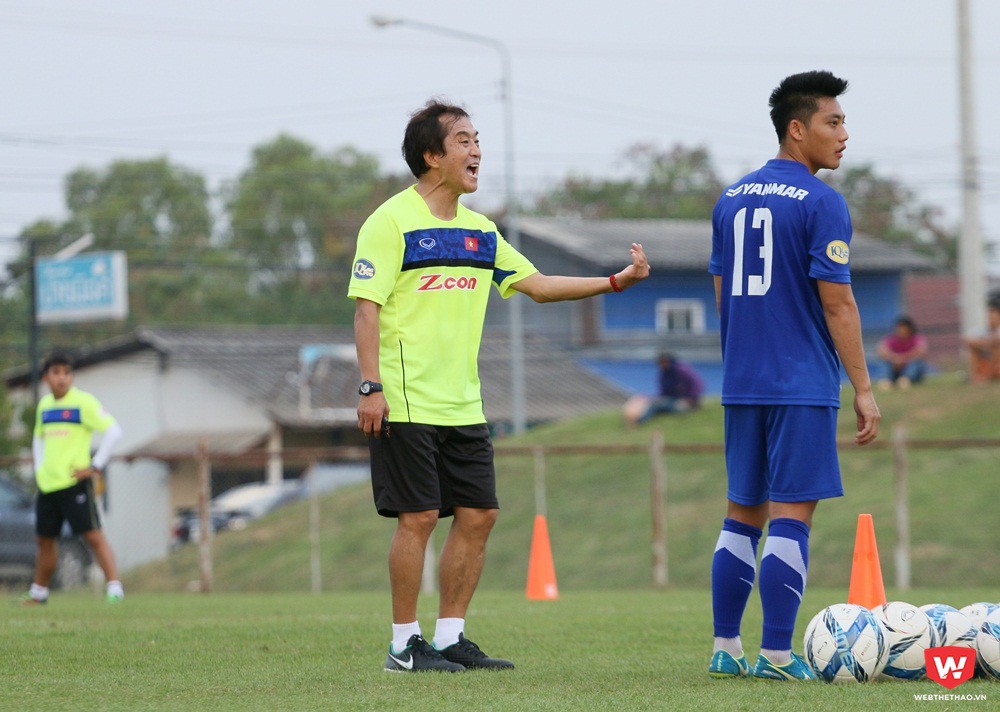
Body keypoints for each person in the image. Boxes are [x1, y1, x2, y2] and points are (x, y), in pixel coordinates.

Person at [348, 99, 649, 673]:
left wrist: (615, 280)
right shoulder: (389, 223)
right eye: (463, 140)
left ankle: (450, 636)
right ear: (431, 156)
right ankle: (403, 645)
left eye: (477, 139)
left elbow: (537, 284)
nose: (477, 150)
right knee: (417, 517)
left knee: (480, 513)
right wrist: (370, 387)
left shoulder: (481, 232)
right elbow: (366, 310)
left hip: (463, 402)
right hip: (406, 400)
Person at [706, 71, 880, 681]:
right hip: (800, 383)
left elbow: (726, 297)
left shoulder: (730, 199)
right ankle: (777, 655)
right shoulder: (823, 202)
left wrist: (743, 364)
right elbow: (838, 303)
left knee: (740, 515)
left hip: (743, 381)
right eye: (833, 122)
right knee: (789, 517)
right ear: (797, 129)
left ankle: (726, 648)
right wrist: (862, 387)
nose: (844, 135)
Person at [23, 351, 125, 605]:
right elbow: (39, 438)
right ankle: (39, 593)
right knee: (45, 540)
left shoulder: (84, 403)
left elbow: (114, 431)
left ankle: (114, 588)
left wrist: (95, 466)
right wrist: (39, 470)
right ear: (46, 377)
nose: (62, 378)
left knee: (92, 536)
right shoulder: (45, 406)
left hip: (75, 484)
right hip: (48, 485)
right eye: (56, 373)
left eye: (66, 373)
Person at [626, 352, 704, 424]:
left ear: (669, 361)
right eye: (660, 363)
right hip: (673, 399)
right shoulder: (663, 374)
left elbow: (697, 383)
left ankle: (638, 421)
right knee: (654, 404)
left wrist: (692, 398)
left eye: (664, 362)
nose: (662, 365)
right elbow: (663, 392)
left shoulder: (681, 370)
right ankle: (638, 420)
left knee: (677, 408)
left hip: (687, 400)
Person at [875, 316, 928, 389]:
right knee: (883, 363)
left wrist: (903, 358)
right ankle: (885, 380)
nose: (901, 330)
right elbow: (881, 351)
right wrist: (895, 358)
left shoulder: (917, 338)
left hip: (910, 367)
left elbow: (921, 351)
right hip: (894, 367)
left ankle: (905, 380)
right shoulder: (891, 339)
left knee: (916, 362)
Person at [963, 300, 1000, 382]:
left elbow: (996, 341)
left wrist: (989, 342)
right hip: (985, 359)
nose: (990, 319)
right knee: (973, 349)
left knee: (997, 347)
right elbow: (967, 339)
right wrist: (985, 343)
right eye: (989, 317)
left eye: (993, 316)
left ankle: (989, 375)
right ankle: (976, 377)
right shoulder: (982, 330)